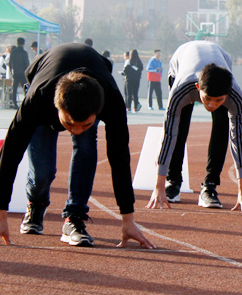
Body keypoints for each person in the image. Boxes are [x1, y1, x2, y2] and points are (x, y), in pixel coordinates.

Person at [0, 43, 155, 248]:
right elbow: (9, 154)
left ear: (98, 112)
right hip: (45, 79)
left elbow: (119, 158)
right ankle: (36, 203)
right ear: (58, 108)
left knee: (86, 147)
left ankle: (75, 217)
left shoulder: (111, 101)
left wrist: (128, 219)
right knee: (42, 172)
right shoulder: (37, 99)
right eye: (70, 124)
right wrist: (1, 214)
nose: (77, 130)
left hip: (93, 81)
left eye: (86, 124)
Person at [146, 41, 242, 212]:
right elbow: (169, 133)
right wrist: (158, 186)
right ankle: (173, 182)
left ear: (227, 94)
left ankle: (210, 186)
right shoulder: (181, 89)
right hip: (181, 62)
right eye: (207, 99)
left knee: (222, 126)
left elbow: (238, 139)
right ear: (198, 88)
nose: (212, 105)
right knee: (179, 125)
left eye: (219, 100)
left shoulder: (234, 96)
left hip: (221, 59)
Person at [9, 37, 29, 109]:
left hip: (15, 73)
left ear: (17, 43)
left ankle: (15, 104)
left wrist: (11, 71)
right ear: (23, 43)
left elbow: (10, 63)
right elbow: (27, 64)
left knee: (14, 89)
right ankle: (26, 103)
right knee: (26, 88)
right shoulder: (24, 53)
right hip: (23, 73)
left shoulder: (13, 52)